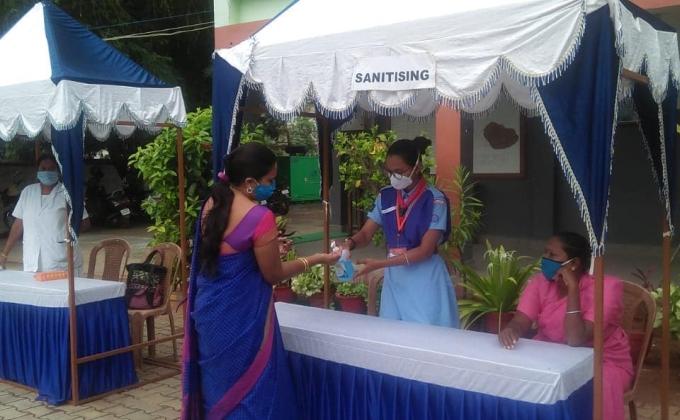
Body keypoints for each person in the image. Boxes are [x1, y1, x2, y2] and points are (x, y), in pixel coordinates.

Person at [181, 143, 340, 419]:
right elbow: (274, 275)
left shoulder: (211, 203)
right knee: (252, 393)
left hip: (210, 315)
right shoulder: (260, 216)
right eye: (270, 180)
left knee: (218, 393)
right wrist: (315, 259)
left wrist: (268, 249)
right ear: (250, 182)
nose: (273, 186)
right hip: (242, 323)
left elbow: (225, 252)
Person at [498, 232, 633, 420]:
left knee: (596, 386)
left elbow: (575, 339)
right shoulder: (540, 283)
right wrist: (512, 329)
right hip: (551, 354)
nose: (545, 259)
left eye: (552, 255)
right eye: (545, 253)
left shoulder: (607, 289)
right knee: (519, 375)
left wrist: (573, 289)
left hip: (601, 361)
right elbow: (521, 320)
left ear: (574, 263)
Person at [345, 137, 459, 328]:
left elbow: (425, 251)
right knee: (392, 332)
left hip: (424, 277)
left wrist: (380, 264)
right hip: (395, 277)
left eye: (399, 172)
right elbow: (365, 234)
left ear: (417, 167)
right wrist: (349, 244)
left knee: (425, 334)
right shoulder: (386, 196)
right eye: (390, 172)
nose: (394, 177)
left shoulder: (435, 200)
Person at [0, 154, 90, 273]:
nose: (47, 172)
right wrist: (4, 254)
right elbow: (18, 225)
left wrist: (66, 235)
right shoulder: (28, 192)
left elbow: (85, 222)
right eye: (43, 168)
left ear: (58, 171)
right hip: (32, 260)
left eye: (52, 168)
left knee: (61, 285)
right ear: (38, 171)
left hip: (61, 260)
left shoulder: (68, 194)